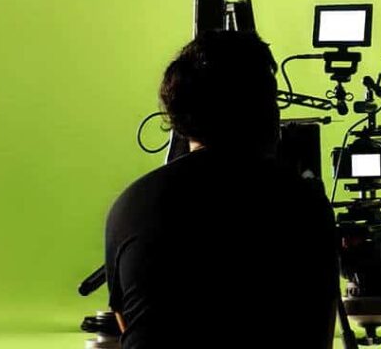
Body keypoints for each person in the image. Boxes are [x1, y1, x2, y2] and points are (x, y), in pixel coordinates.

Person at [105, 30, 338, 349]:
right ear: (262, 110)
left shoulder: (128, 206)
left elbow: (127, 322)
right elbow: (318, 333)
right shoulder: (302, 202)